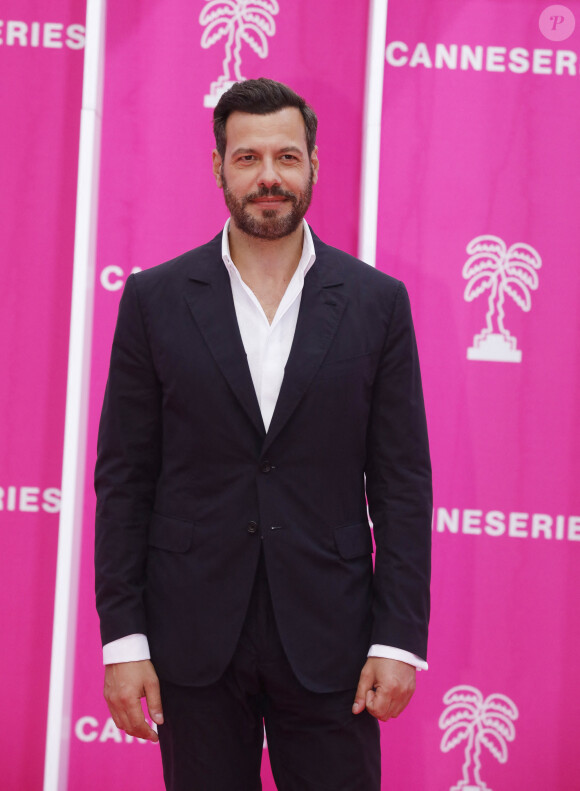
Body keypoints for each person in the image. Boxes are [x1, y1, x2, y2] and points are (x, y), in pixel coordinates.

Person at [95, 78, 432, 791]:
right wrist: (124, 640)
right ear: (218, 167)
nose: (269, 176)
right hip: (190, 636)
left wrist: (398, 637)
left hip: (333, 638)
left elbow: (402, 484)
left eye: (287, 156)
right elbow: (125, 479)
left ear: (314, 165)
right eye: (248, 158)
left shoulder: (377, 304)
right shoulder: (155, 299)